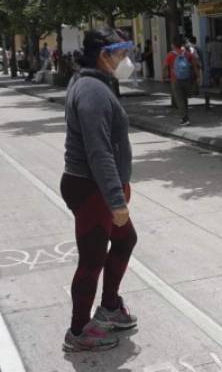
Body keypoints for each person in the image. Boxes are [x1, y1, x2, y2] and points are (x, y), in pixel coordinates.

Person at [61, 27, 138, 352]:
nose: (126, 60)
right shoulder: (92, 89)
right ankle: (78, 330)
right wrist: (116, 201)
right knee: (91, 259)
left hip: (97, 187)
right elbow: (99, 151)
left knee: (125, 240)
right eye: (120, 54)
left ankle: (109, 307)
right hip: (92, 189)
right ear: (103, 56)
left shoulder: (92, 82)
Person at [163, 36, 201, 126]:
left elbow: (165, 67)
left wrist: (164, 76)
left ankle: (184, 118)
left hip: (175, 80)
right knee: (184, 99)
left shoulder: (170, 55)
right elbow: (196, 66)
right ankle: (185, 116)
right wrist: (198, 77)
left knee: (180, 100)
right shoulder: (187, 54)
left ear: (173, 45)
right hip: (186, 79)